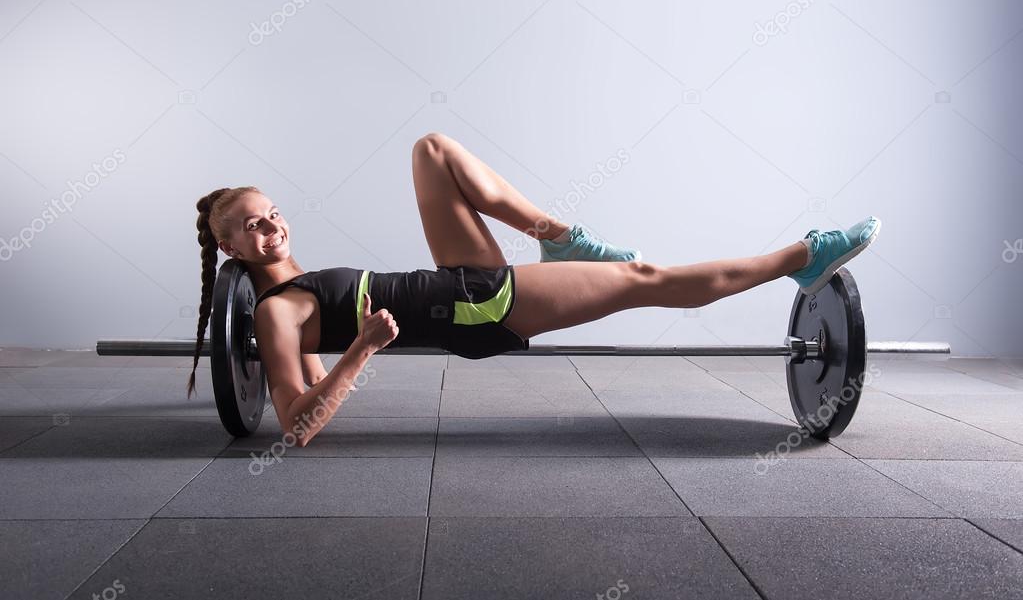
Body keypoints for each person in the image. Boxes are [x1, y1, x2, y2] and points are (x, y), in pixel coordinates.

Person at [190, 132, 881, 446]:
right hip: (476, 310)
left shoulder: (297, 286)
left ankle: (556, 234)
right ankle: (799, 257)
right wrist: (365, 347)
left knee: (430, 150)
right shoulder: (279, 313)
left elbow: (309, 380)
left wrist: (338, 348)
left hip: (458, 279)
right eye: (252, 226)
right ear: (231, 246)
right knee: (645, 279)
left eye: (272, 211)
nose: (270, 225)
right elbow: (298, 423)